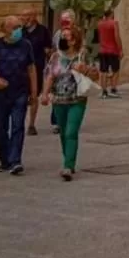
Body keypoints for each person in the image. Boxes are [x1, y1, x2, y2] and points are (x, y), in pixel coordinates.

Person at [42, 23, 95, 180]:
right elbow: (50, 76)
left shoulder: (82, 55)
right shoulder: (55, 57)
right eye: (61, 37)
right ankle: (68, 159)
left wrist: (84, 69)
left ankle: (68, 166)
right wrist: (45, 94)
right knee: (63, 132)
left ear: (74, 40)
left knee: (71, 132)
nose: (63, 39)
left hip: (76, 99)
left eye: (66, 37)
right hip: (58, 100)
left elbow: (95, 75)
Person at [0, 15, 37, 174]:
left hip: (20, 90)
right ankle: (5, 160)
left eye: (19, 27)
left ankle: (15, 161)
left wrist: (34, 92)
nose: (18, 30)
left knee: (17, 125)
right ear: (4, 30)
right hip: (0, 93)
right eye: (14, 28)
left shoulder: (26, 45)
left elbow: (31, 69)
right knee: (0, 127)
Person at [21, 9, 51, 134]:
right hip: (21, 69)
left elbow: (48, 48)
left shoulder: (43, 31)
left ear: (34, 16)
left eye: (26, 16)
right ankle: (19, 122)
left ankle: (31, 124)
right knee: (21, 96)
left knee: (34, 96)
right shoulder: (20, 31)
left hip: (37, 68)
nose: (24, 18)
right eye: (22, 16)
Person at [95, 7, 123, 98]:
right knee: (116, 70)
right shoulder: (114, 23)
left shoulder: (99, 24)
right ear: (111, 14)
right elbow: (117, 37)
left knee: (103, 71)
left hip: (103, 50)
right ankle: (113, 89)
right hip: (113, 50)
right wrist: (120, 49)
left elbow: (98, 37)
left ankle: (103, 91)